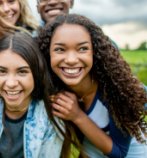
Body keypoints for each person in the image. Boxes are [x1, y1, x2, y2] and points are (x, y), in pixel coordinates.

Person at [38, 14, 147, 158]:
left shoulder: (118, 89)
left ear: (94, 52)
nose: (71, 60)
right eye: (60, 49)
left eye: (82, 49)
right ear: (48, 53)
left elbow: (119, 152)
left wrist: (77, 115)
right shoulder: (53, 84)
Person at [0, 33, 85, 158]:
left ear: (36, 73)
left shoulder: (52, 113)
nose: (11, 83)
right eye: (1, 71)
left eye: (22, 72)